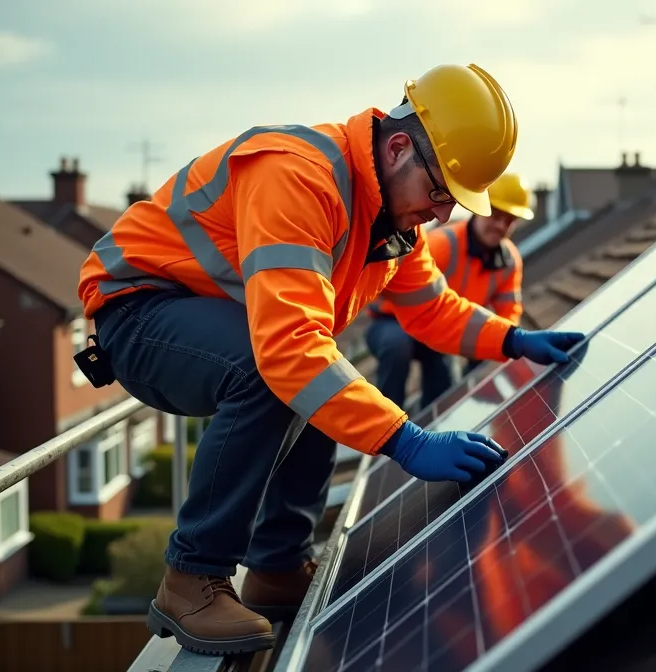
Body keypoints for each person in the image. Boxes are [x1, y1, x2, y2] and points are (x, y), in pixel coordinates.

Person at [73, 63, 585, 656]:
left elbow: (433, 309)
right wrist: (405, 440)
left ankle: (274, 567)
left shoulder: (389, 226)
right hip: (139, 313)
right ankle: (191, 577)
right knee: (274, 370)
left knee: (316, 380)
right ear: (398, 149)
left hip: (212, 323)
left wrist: (514, 341)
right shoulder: (300, 176)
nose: (443, 215)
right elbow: (288, 348)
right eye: (441, 192)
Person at [364, 172, 534, 409]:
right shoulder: (442, 243)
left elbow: (508, 314)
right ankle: (387, 424)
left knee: (449, 375)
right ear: (480, 208)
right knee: (397, 346)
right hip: (392, 321)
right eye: (496, 215)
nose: (500, 226)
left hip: (443, 327)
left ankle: (434, 428)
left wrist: (507, 345)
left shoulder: (509, 262)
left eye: (509, 221)